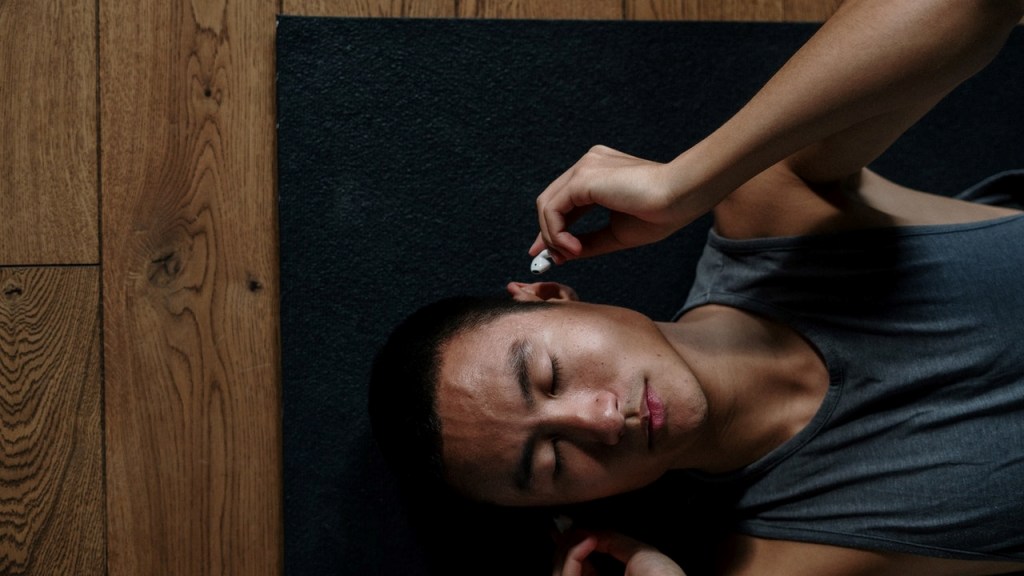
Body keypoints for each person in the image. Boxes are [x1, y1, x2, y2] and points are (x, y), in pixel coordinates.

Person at [369, 0, 1024, 574]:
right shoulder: (783, 557)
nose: (600, 420)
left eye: (547, 375)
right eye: (551, 465)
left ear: (548, 295)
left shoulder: (776, 211)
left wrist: (685, 181)